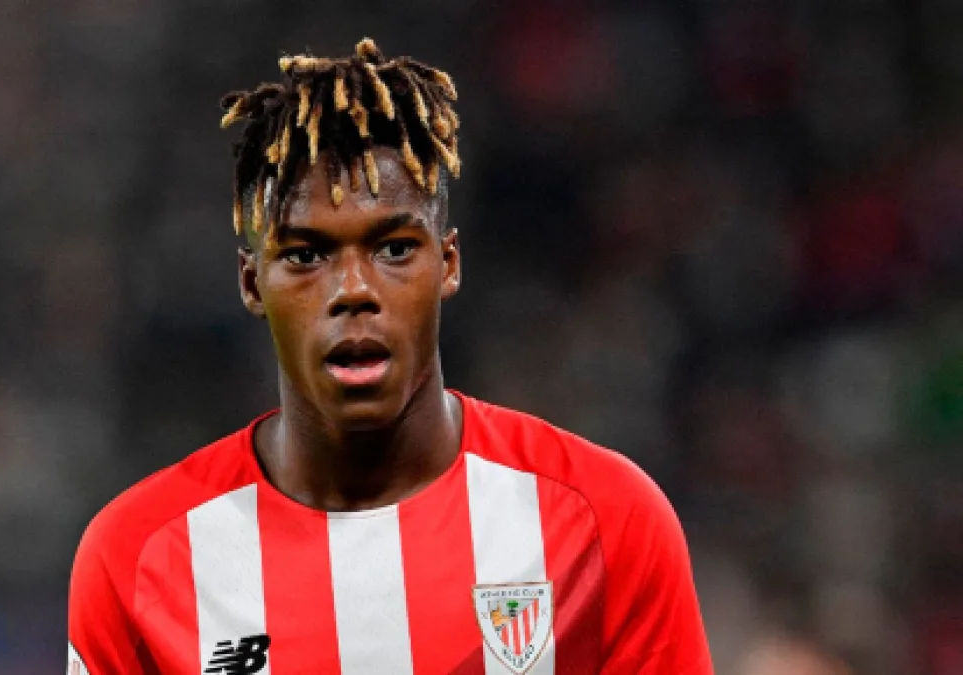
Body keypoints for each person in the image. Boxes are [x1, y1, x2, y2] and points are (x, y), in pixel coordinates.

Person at [67, 38, 713, 675]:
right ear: (251, 283)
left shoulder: (605, 520)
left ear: (448, 263)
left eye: (395, 248)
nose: (354, 290)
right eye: (305, 255)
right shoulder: (138, 557)